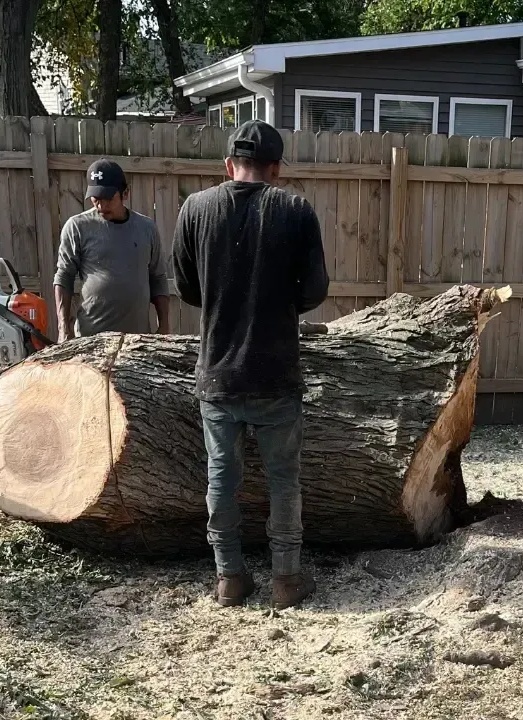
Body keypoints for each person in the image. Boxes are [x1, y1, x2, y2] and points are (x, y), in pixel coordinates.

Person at [171, 120, 329, 610]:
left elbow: (186, 288)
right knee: (284, 479)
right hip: (277, 372)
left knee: (222, 478)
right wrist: (278, 307)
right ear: (276, 168)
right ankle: (286, 579)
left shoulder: (195, 209)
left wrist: (225, 300)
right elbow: (316, 290)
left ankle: (230, 577)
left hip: (217, 372)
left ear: (228, 166)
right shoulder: (295, 209)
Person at [54, 159, 172, 341]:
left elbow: (157, 278)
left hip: (138, 340)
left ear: (125, 193)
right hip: (91, 338)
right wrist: (63, 328)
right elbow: (64, 276)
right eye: (96, 199)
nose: (101, 205)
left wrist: (163, 325)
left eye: (108, 198)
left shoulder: (146, 228)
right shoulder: (77, 227)